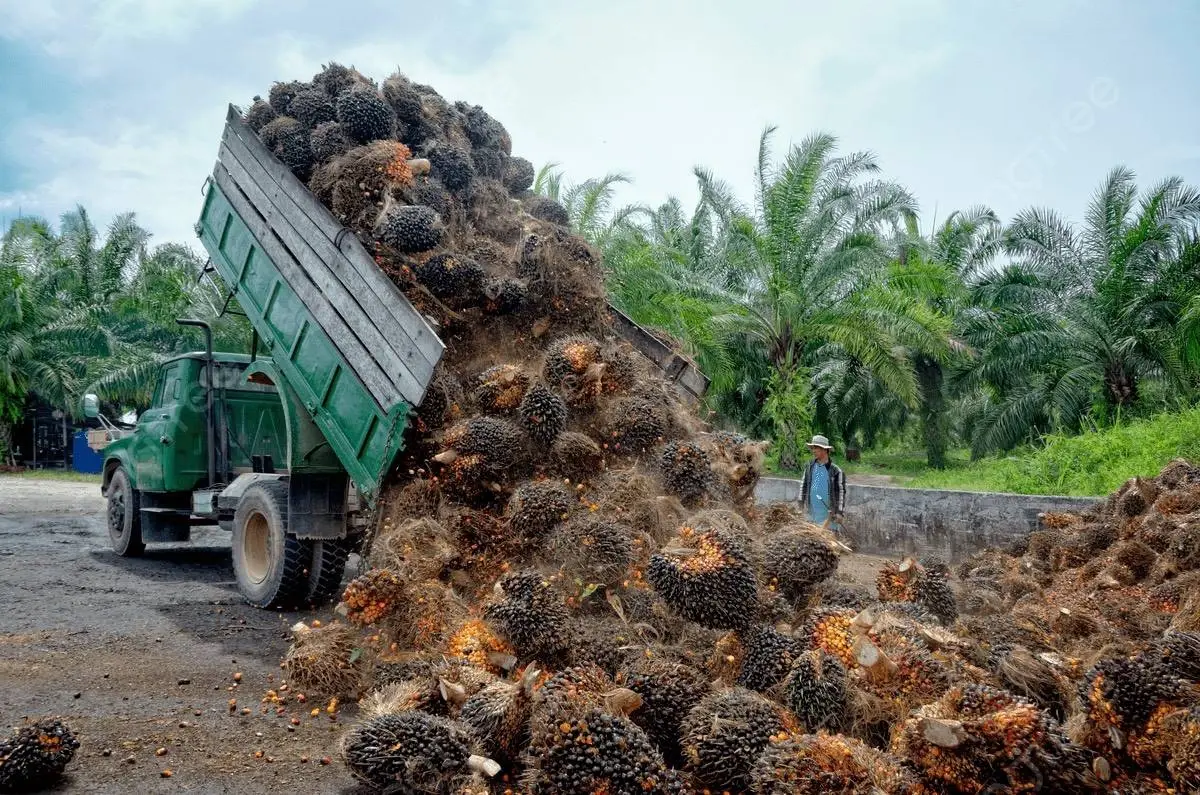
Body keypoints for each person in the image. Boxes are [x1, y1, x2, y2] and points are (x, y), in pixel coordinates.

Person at [798, 434, 846, 526]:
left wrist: (840, 513)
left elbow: (841, 493)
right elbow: (803, 486)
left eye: (816, 448)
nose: (813, 450)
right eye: (812, 448)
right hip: (811, 515)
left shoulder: (836, 471)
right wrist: (800, 506)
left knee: (829, 539)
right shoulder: (809, 467)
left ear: (825, 449)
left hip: (829, 517)